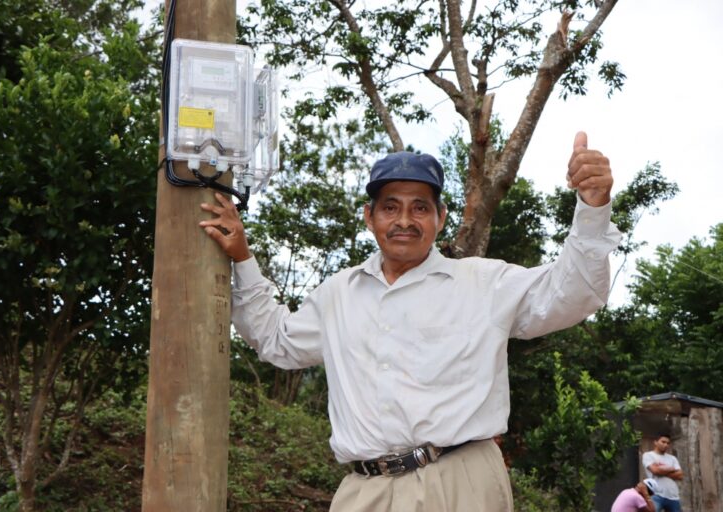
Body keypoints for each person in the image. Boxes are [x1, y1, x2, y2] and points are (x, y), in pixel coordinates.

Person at [199, 132, 621, 511]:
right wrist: (242, 258)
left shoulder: (483, 283)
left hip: (460, 484)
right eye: (390, 207)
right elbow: (277, 341)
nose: (404, 220)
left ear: (439, 216)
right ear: (370, 217)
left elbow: (574, 294)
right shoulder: (338, 294)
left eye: (420, 207)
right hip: (363, 490)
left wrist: (592, 207)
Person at [642, 434, 683, 511]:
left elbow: (680, 475)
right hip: (656, 494)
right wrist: (671, 469)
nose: (666, 445)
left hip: (673, 495)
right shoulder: (648, 455)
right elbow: (655, 471)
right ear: (655, 442)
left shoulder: (672, 458)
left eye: (668, 443)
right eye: (663, 442)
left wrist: (661, 470)